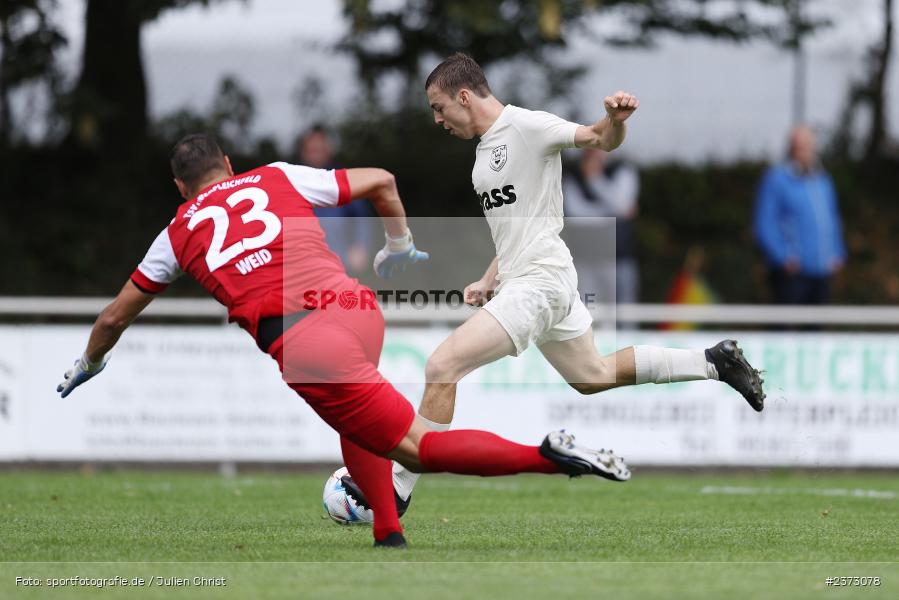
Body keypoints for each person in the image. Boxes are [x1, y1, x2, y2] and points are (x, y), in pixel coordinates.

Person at [56, 133, 633, 549]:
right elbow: (381, 181)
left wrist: (89, 361)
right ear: (229, 165)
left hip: (308, 345)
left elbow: (114, 317)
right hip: (355, 307)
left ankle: (552, 458)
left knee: (418, 449)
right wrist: (400, 242)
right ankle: (388, 530)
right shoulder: (276, 176)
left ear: (181, 188)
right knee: (355, 422)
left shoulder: (178, 232)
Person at [352, 52, 766, 509]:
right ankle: (712, 361)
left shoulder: (525, 127)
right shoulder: (483, 152)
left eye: (438, 106)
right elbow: (517, 227)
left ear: (463, 96)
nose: (437, 119)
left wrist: (615, 120)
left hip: (540, 282)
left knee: (441, 366)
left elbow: (597, 139)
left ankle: (397, 490)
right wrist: (490, 277)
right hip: (538, 278)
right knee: (592, 375)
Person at [753, 125, 846, 305]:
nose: (805, 150)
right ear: (791, 148)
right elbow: (764, 224)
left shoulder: (822, 180)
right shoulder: (776, 179)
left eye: (809, 145)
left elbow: (833, 219)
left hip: (822, 270)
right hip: (792, 272)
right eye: (800, 146)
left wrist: (837, 252)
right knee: (784, 328)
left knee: (816, 329)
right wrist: (783, 257)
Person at [561, 147, 640, 308]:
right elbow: (574, 214)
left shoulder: (622, 171)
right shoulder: (572, 176)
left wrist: (594, 179)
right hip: (584, 259)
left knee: (625, 313)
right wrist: (612, 215)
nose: (594, 152)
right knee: (589, 311)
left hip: (619, 258)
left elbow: (621, 205)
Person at [299, 125, 372, 275]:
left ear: (328, 151)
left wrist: (361, 247)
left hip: (339, 263)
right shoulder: (292, 181)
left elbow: (363, 219)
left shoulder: (341, 180)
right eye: (312, 150)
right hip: (303, 267)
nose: (315, 154)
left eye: (319, 150)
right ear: (304, 152)